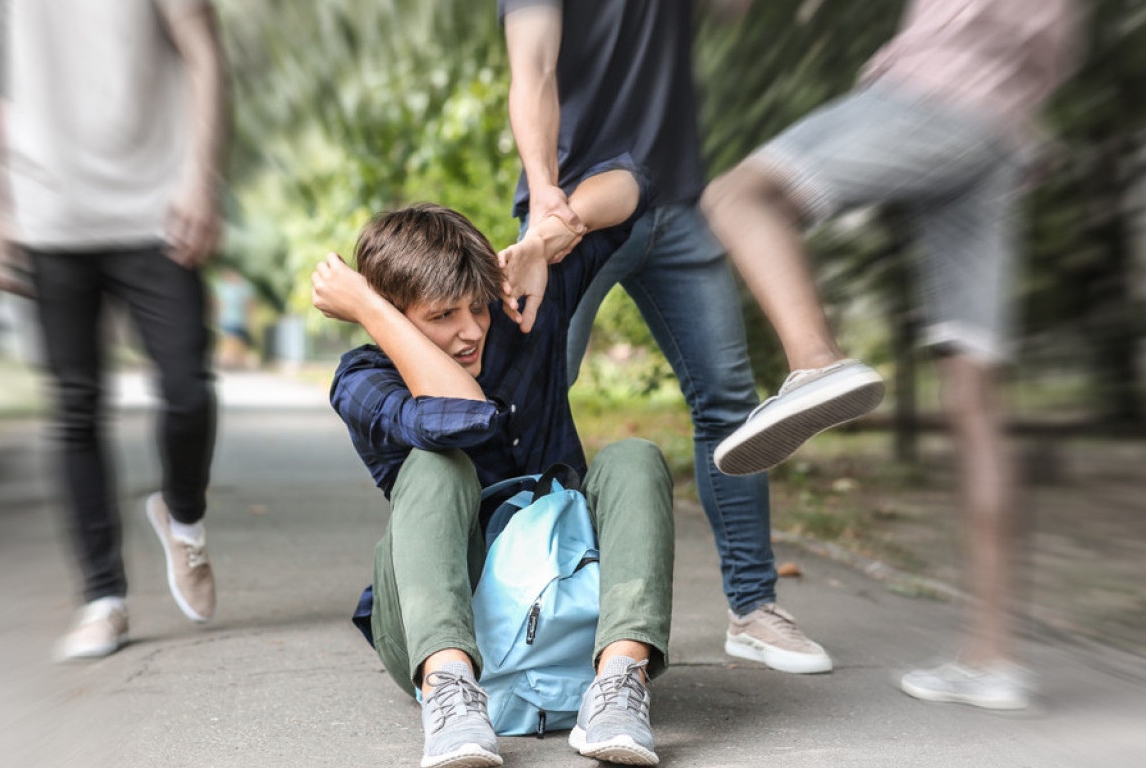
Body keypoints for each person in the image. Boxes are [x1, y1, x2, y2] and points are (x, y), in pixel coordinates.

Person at [701, 0, 1079, 709]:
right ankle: (993, 660)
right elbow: (1053, 50)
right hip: (1001, 135)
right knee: (976, 404)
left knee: (740, 196)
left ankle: (817, 362)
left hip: (931, 92)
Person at [500, 0, 833, 677]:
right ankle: (516, 606)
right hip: (571, 212)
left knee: (727, 401)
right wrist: (542, 197)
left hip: (674, 201)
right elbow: (531, 67)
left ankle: (753, 607)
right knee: (530, 405)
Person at [313, 167, 674, 767]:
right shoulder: (363, 380)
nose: (470, 330)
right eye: (441, 316)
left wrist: (539, 242)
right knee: (435, 467)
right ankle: (452, 698)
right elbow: (465, 417)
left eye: (475, 308)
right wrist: (374, 312)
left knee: (634, 457)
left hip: (565, 599)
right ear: (394, 318)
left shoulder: (518, 307)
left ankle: (618, 685)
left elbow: (638, 190)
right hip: (441, 632)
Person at [0, 0, 227, 659]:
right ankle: (103, 598)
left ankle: (181, 514)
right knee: (77, 408)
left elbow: (204, 51)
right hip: (50, 215)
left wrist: (202, 177)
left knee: (189, 388)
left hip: (158, 207)